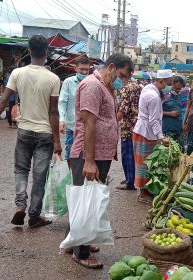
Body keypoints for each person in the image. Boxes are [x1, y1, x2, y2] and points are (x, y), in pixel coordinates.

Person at [0, 35, 62, 228]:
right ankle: (34, 217)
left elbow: (2, 101)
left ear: (29, 50)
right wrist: (57, 142)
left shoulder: (18, 73)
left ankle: (20, 205)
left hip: (24, 131)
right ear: (47, 53)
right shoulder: (53, 78)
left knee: (21, 169)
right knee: (39, 176)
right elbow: (53, 112)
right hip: (45, 134)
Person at [68, 53, 133, 269]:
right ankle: (81, 252)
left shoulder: (106, 87)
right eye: (121, 76)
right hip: (90, 155)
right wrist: (89, 161)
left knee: (90, 200)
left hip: (100, 154)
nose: (122, 81)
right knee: (86, 201)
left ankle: (78, 241)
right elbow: (89, 124)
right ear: (112, 67)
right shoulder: (92, 86)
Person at [133, 70, 172, 204]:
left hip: (145, 131)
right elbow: (153, 120)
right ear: (161, 82)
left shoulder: (149, 88)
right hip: (145, 133)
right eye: (168, 83)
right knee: (143, 164)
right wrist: (161, 137)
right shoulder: (153, 96)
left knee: (148, 163)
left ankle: (146, 189)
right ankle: (142, 194)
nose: (169, 87)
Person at [58, 56, 90, 166]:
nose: (84, 72)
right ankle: (71, 176)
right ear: (75, 68)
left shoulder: (92, 83)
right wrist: (61, 120)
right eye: (82, 69)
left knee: (87, 155)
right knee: (70, 153)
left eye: (87, 69)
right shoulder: (68, 82)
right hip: (71, 126)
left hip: (88, 128)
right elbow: (62, 102)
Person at [116, 79, 142, 191]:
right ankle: (130, 179)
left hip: (127, 126)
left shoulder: (126, 88)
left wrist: (112, 123)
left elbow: (123, 109)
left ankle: (130, 183)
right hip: (135, 125)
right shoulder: (138, 86)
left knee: (127, 156)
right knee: (132, 155)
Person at [162, 75, 185, 146]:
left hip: (178, 128)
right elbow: (156, 112)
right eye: (176, 88)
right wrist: (170, 114)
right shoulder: (165, 95)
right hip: (168, 129)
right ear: (172, 84)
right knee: (169, 150)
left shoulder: (180, 95)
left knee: (180, 150)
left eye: (180, 89)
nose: (178, 91)